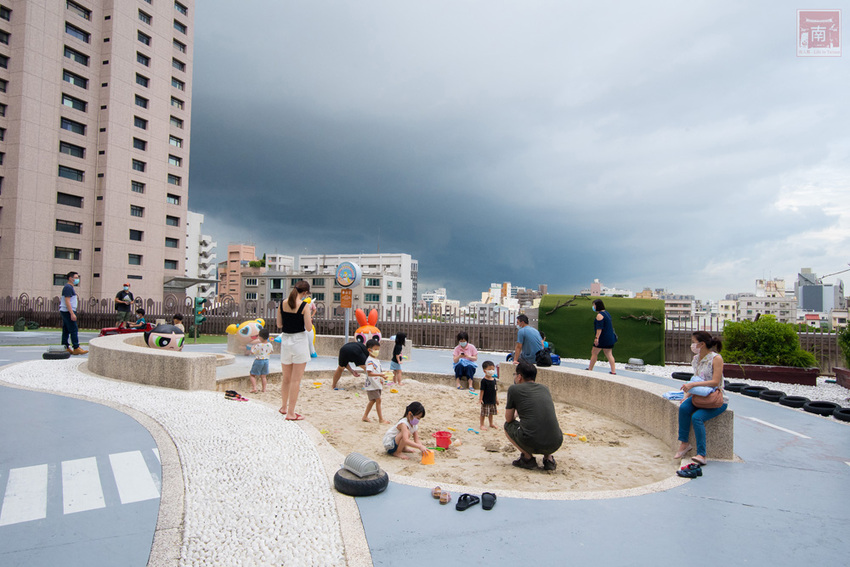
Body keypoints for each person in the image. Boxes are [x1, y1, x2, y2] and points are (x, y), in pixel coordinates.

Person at [675, 331, 728, 466]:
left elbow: (715, 382)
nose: (692, 345)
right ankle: (684, 443)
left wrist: (693, 385)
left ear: (702, 344)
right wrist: (687, 395)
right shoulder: (696, 359)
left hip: (715, 398)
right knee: (684, 408)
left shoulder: (716, 359)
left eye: (694, 342)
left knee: (697, 417)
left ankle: (702, 454)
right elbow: (697, 378)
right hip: (700, 396)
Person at [504, 361, 563, 470]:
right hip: (556, 442)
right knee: (545, 423)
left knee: (508, 426)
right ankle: (548, 458)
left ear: (519, 377)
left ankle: (528, 458)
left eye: (515, 375)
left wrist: (516, 413)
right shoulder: (545, 388)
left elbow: (508, 419)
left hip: (531, 441)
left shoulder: (514, 389)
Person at [276, 280, 312, 420]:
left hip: (286, 341)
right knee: (295, 380)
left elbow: (279, 324)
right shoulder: (304, 306)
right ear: (305, 292)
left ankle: (283, 407)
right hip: (299, 342)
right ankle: (291, 413)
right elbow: (308, 328)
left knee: (286, 378)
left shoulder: (282, 303)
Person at [362, 338, 390, 423]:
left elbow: (377, 371)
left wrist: (383, 374)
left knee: (372, 400)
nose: (377, 351)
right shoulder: (370, 360)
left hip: (376, 383)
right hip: (372, 384)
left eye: (378, 349)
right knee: (378, 400)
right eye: (375, 349)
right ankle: (381, 419)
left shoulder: (376, 360)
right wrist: (380, 375)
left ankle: (365, 416)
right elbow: (369, 373)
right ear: (369, 350)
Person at [59, 271, 87, 355]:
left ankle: (65, 346)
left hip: (66, 311)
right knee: (73, 329)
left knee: (66, 330)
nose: (77, 279)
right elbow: (67, 301)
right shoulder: (68, 287)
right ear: (70, 278)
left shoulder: (69, 287)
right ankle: (76, 347)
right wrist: (72, 313)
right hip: (67, 311)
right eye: (76, 277)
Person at [587, 299, 617, 375]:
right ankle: (613, 371)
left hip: (602, 338)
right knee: (609, 354)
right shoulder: (607, 313)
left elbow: (599, 329)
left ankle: (590, 369)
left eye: (594, 305)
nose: (593, 307)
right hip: (609, 338)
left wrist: (596, 338)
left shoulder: (599, 316)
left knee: (594, 352)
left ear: (597, 306)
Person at [249, 327, 273, 393]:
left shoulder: (258, 345)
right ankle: (264, 389)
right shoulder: (270, 345)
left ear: (260, 337)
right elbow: (271, 351)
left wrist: (252, 348)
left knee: (252, 375)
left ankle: (254, 388)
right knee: (263, 376)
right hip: (266, 361)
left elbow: (253, 352)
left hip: (259, 360)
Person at [479, 360, 499, 429]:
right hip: (485, 400)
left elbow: (495, 390)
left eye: (493, 369)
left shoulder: (494, 380)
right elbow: (482, 390)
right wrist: (480, 399)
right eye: (489, 369)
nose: (491, 371)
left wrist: (496, 399)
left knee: (491, 413)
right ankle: (482, 424)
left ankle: (491, 423)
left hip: (492, 400)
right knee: (483, 413)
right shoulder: (484, 381)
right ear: (485, 371)